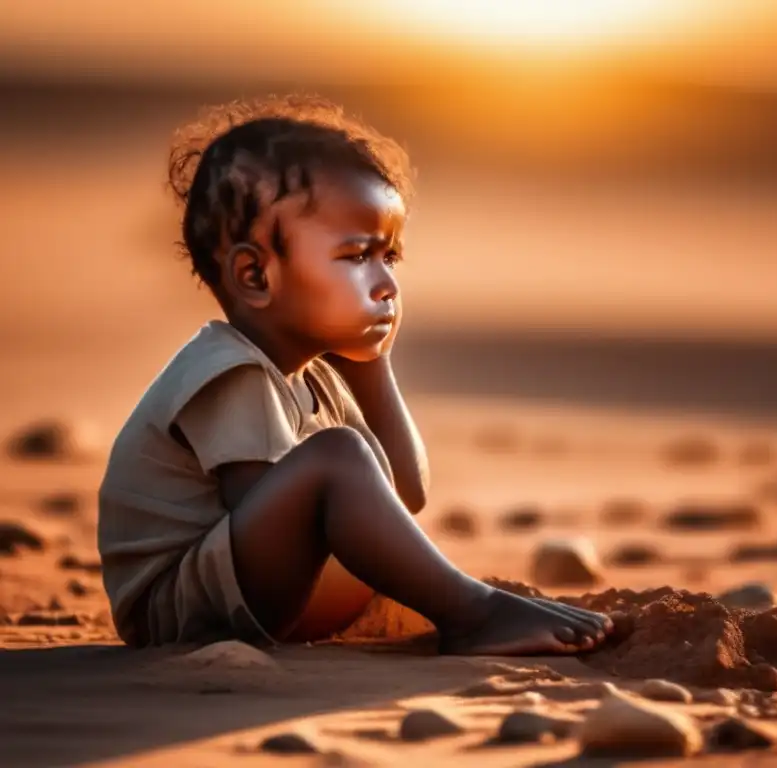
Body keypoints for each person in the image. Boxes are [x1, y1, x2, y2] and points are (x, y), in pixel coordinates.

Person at [97, 95, 613, 654]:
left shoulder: (313, 376)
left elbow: (403, 492)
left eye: (389, 257)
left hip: (247, 589)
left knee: (356, 481)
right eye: (356, 256)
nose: (385, 283)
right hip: (177, 608)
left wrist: (374, 367)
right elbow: (279, 518)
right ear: (254, 274)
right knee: (339, 457)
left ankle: (467, 603)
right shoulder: (227, 369)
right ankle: (475, 612)